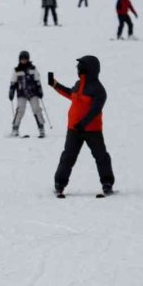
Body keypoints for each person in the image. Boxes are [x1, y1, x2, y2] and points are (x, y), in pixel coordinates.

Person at [47, 56, 115, 197]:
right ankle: (59, 184)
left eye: (81, 66)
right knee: (67, 157)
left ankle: (107, 183)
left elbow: (95, 111)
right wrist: (55, 85)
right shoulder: (79, 84)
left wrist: (82, 124)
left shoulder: (98, 89)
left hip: (92, 131)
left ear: (90, 69)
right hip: (73, 129)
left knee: (101, 157)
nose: (78, 68)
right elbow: (71, 94)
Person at [8, 51, 45, 138]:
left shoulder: (33, 68)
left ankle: (41, 128)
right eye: (22, 59)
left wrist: (40, 90)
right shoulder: (17, 70)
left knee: (36, 109)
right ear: (20, 60)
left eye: (25, 59)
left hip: (33, 93)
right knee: (20, 110)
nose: (23, 61)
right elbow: (13, 82)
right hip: (22, 93)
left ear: (28, 59)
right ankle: (15, 128)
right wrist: (11, 91)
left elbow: (37, 80)